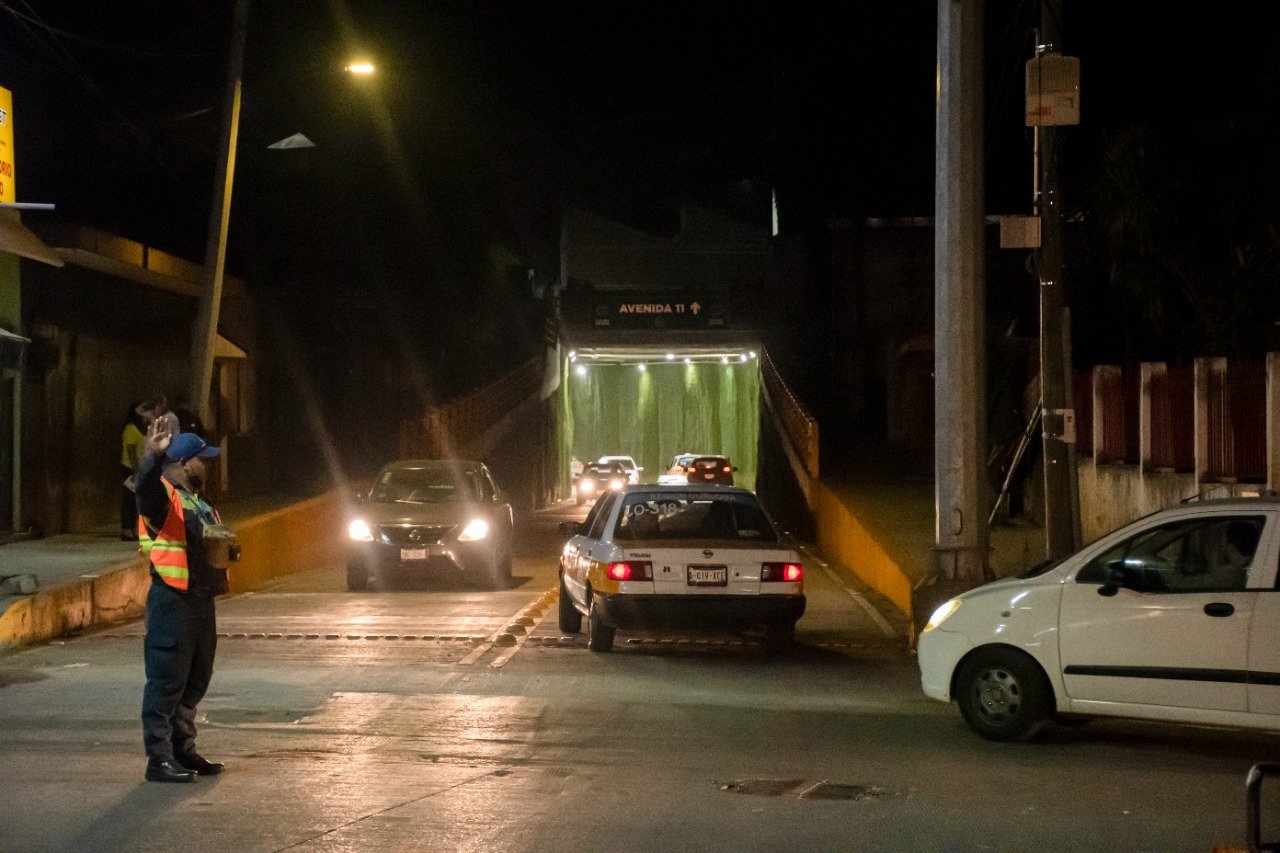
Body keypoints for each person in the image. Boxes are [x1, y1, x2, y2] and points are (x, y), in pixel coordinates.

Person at [134, 416, 225, 783]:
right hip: (172, 601)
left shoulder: (199, 502)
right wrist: (152, 457)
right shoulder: (164, 497)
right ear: (186, 464)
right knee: (166, 682)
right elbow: (144, 489)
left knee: (195, 680)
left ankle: (182, 750)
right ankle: (159, 759)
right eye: (204, 459)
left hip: (201, 602)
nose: (209, 466)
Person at [119, 401, 150, 540]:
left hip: (138, 468)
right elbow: (131, 451)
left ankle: (133, 528)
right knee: (129, 499)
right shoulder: (130, 428)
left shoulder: (140, 428)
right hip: (129, 468)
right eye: (141, 409)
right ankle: (126, 529)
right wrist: (136, 469)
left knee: (135, 500)